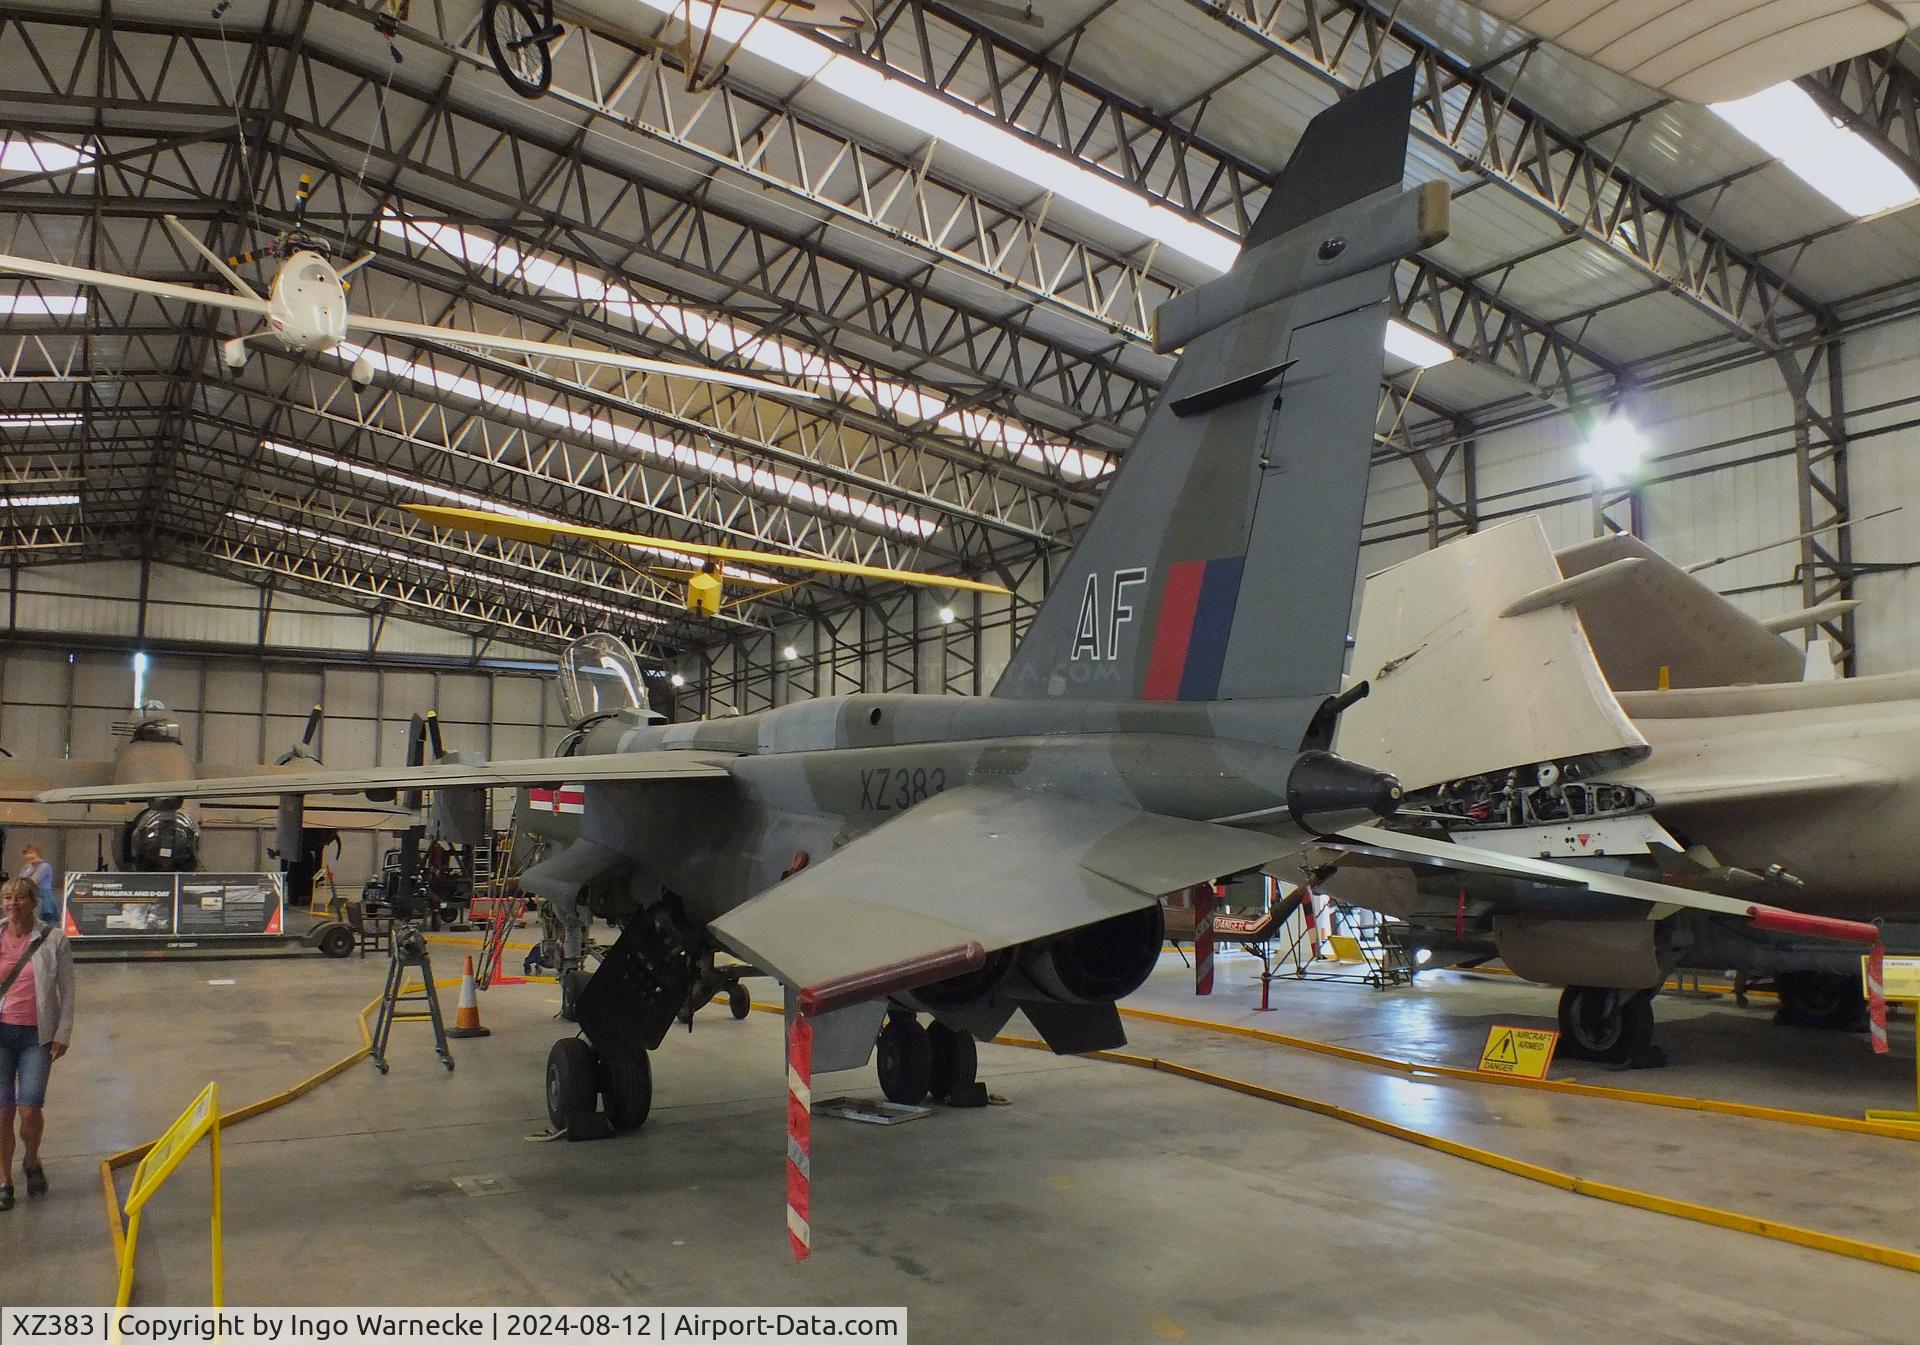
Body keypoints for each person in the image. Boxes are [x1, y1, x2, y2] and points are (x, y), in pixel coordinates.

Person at [0, 875, 73, 1211]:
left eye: (19, 898)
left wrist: (63, 1033)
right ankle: (4, 1180)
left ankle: (31, 1159)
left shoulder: (54, 939)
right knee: (3, 1111)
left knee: (29, 1108)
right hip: (1, 1034)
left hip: (36, 1037)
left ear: (33, 902)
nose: (12, 904)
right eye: (7, 898)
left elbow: (67, 991)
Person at [17, 845, 55, 925]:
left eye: (31, 853)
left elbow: (33, 881)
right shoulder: (25, 866)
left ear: (37, 853)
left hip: (41, 896)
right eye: (26, 854)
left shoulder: (44, 866)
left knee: (40, 922)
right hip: (27, 895)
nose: (28, 855)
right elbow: (19, 880)